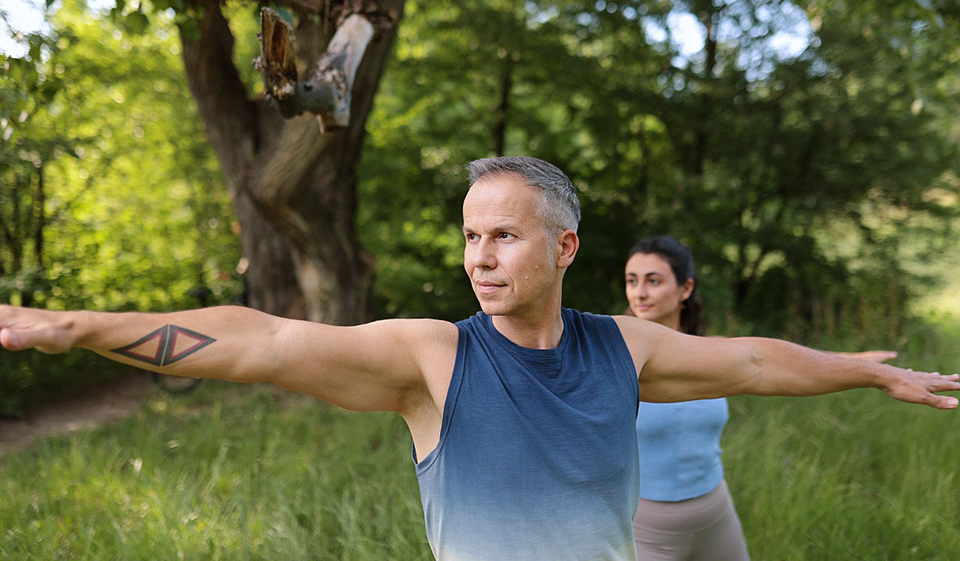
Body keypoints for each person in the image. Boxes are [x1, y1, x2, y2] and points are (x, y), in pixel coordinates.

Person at [1, 156, 957, 561]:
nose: (480, 258)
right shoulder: (434, 359)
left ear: (564, 247)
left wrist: (869, 372)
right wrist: (80, 326)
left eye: (504, 236)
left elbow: (752, 365)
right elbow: (269, 340)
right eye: (471, 237)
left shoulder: (620, 346)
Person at [623, 236, 897, 561]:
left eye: (653, 281)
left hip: (716, 515)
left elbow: (784, 361)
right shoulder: (616, 358)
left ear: (685, 289)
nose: (639, 292)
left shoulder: (713, 351)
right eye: (632, 281)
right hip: (646, 528)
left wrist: (856, 362)